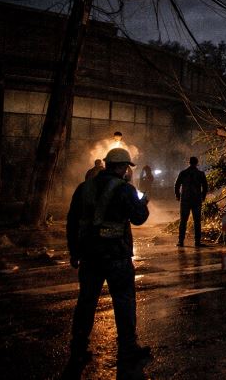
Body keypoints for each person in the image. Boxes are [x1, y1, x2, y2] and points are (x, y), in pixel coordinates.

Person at [66, 148, 151, 366]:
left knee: (86, 301)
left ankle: (78, 348)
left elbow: (72, 222)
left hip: (89, 256)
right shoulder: (125, 189)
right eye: (126, 167)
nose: (127, 171)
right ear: (121, 167)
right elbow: (138, 218)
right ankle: (128, 348)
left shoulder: (84, 188)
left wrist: (74, 252)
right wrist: (143, 203)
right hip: (116, 256)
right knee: (123, 301)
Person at [174, 156, 208, 247]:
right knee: (197, 221)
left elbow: (177, 185)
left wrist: (178, 195)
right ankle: (197, 242)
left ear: (189, 163)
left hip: (185, 200)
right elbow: (205, 187)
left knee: (183, 221)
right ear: (197, 163)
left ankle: (181, 241)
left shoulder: (183, 173)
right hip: (196, 200)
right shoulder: (200, 174)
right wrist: (203, 197)